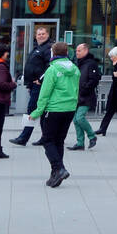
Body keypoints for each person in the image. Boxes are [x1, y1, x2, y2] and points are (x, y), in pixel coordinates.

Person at [28, 40, 79, 188]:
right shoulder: (75, 69)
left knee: (47, 140)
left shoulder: (52, 69)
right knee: (59, 141)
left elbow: (45, 93)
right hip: (69, 108)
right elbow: (76, 89)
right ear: (67, 53)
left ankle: (59, 168)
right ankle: (55, 174)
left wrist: (37, 111)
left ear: (53, 53)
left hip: (54, 109)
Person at [10, 23, 52, 146]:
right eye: (39, 34)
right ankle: (46, 138)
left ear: (47, 35)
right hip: (33, 85)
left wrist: (40, 80)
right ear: (36, 36)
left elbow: (49, 67)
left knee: (31, 110)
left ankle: (24, 138)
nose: (41, 36)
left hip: (39, 85)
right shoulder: (37, 48)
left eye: (43, 33)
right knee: (42, 112)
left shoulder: (48, 48)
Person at [69, 42, 101, 150]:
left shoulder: (91, 63)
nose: (76, 53)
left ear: (86, 51)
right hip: (77, 96)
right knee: (75, 119)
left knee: (80, 117)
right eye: (76, 51)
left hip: (86, 96)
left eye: (79, 50)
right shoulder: (78, 63)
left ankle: (92, 136)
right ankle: (80, 143)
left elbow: (94, 79)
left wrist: (84, 88)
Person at [97, 46, 117, 136]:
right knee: (110, 111)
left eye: (112, 56)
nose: (111, 58)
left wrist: (116, 76)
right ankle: (102, 128)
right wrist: (115, 75)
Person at [0, 43, 17, 159]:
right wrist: (13, 84)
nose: (8, 54)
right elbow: (1, 84)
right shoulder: (0, 67)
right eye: (7, 52)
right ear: (2, 54)